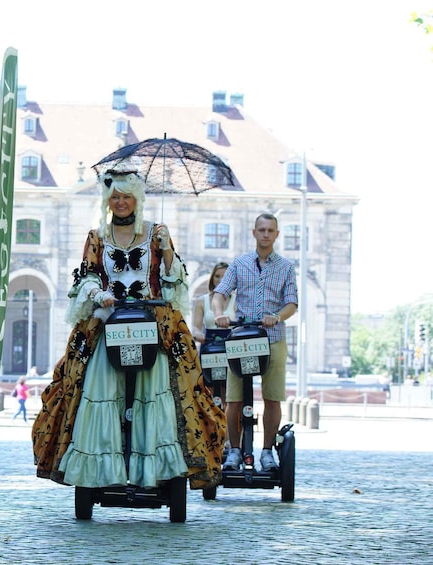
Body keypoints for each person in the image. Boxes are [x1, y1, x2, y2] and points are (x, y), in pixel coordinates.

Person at [32, 170, 225, 490]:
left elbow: (174, 280)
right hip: (108, 321)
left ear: (138, 199)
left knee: (165, 387)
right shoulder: (97, 236)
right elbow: (88, 276)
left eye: (126, 197)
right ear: (108, 201)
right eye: (115, 197)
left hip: (152, 322)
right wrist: (98, 295)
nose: (120, 203)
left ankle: (154, 467)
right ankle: (102, 469)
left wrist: (165, 249)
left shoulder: (156, 232)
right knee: (92, 385)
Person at [212, 213, 298, 472]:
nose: (265, 234)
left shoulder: (285, 267)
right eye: (261, 229)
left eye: (270, 230)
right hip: (242, 338)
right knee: (234, 399)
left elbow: (292, 303)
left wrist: (277, 317)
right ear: (254, 232)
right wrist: (219, 314)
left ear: (277, 234)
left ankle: (267, 451)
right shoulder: (239, 264)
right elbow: (221, 293)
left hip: (272, 338)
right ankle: (235, 450)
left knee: (272, 398)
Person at [192, 262, 236, 412]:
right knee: (208, 388)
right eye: (217, 276)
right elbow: (196, 325)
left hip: (230, 344)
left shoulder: (237, 300)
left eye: (224, 276)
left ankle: (230, 430)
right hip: (209, 343)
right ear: (212, 278)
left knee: (229, 390)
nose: (220, 279)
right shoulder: (201, 301)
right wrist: (198, 333)